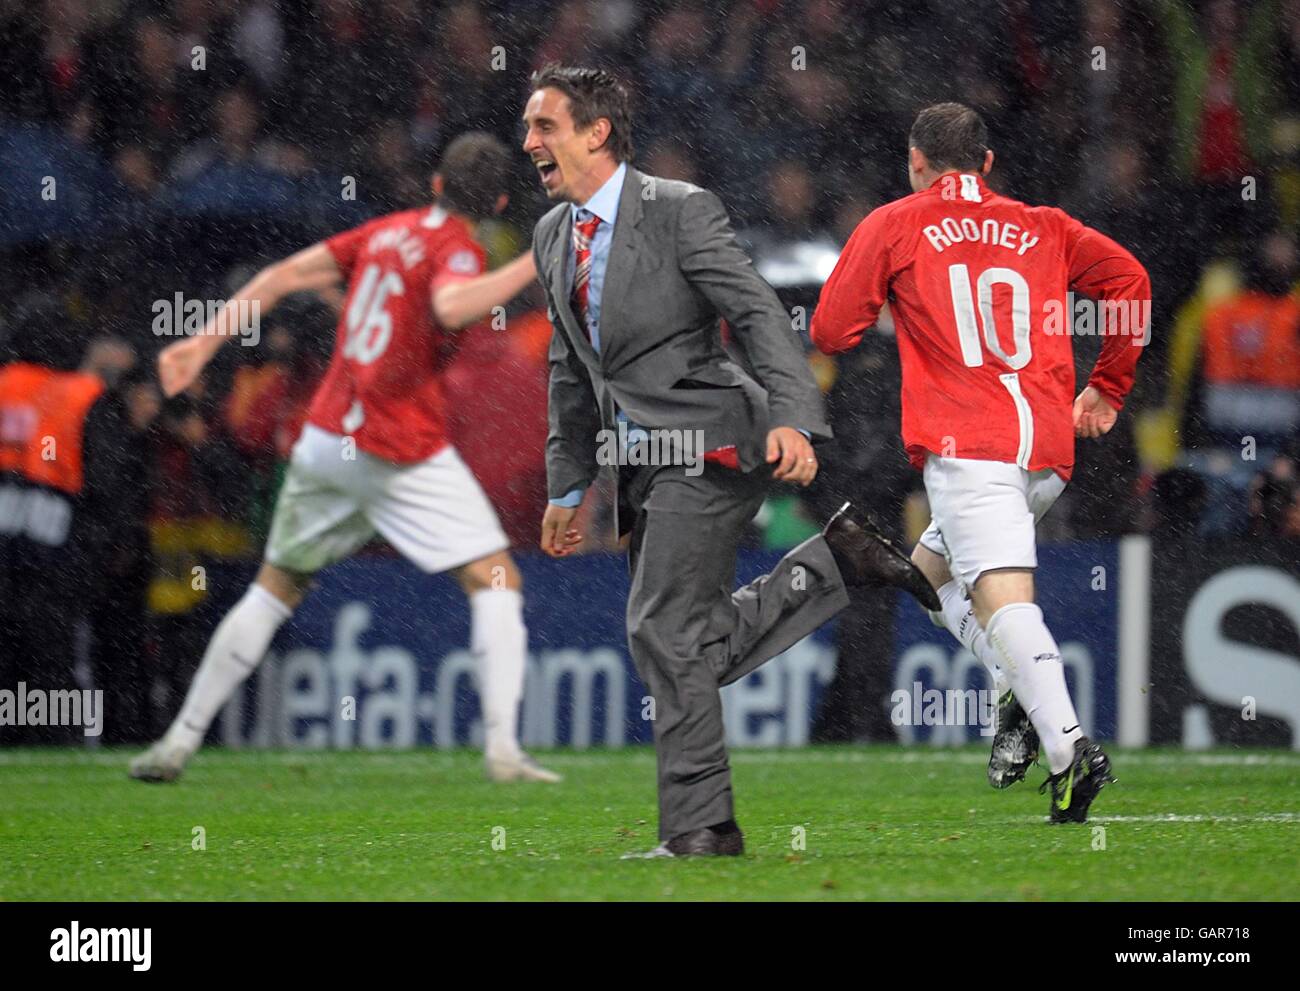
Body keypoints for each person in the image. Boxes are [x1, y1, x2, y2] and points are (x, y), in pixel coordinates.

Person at [523, 64, 939, 857]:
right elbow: (571, 372)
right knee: (688, 641)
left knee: (657, 626)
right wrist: (568, 483)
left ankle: (702, 827)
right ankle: (834, 565)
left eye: (545, 126)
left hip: (715, 438)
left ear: (596, 132)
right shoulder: (551, 238)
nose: (530, 141)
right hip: (642, 463)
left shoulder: (679, 209)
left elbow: (756, 311)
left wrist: (792, 415)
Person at [130, 132, 556, 783]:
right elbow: (450, 304)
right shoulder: (458, 251)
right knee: (497, 580)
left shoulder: (385, 233)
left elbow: (280, 276)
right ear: (497, 201)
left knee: (275, 587)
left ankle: (178, 742)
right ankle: (502, 750)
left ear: (437, 185)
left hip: (328, 438)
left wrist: (202, 342)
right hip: (401, 449)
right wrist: (534, 262)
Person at [812, 103, 1149, 824]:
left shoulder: (895, 222)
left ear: (915, 162)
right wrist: (1108, 385)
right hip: (1048, 451)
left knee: (1003, 603)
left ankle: (1068, 751)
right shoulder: (1045, 226)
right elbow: (1131, 284)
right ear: (987, 163)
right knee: (926, 579)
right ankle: (1011, 689)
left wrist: (894, 296)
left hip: (971, 450)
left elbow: (831, 330)